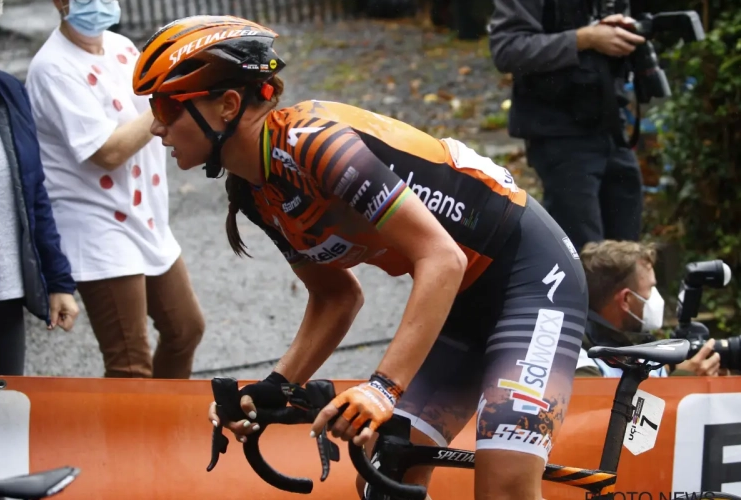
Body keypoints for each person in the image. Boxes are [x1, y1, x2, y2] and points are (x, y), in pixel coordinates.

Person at [134, 16, 589, 500]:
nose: (157, 125)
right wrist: (275, 387)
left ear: (227, 105)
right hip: (458, 308)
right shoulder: (257, 190)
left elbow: (443, 259)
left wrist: (382, 389)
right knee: (387, 480)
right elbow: (336, 297)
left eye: (166, 106)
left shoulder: (316, 145)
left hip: (533, 281)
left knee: (503, 488)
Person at [24, 0, 205, 379]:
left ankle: (161, 421)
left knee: (185, 329)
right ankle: (138, 436)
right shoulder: (52, 68)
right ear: (61, 3)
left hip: (146, 217)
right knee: (129, 363)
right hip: (98, 224)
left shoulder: (122, 48)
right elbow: (107, 152)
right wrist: (164, 106)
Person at [488, 2, 648, 252]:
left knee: (627, 252)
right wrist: (585, 38)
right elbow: (507, 49)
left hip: (610, 126)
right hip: (559, 134)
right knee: (584, 255)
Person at [0, 0, 79, 376]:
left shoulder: (7, 91)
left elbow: (34, 192)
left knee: (2, 421)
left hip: (4, 295)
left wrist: (57, 281)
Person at [574, 240, 722, 378]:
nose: (656, 298)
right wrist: (683, 380)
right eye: (651, 288)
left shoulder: (633, 346)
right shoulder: (578, 362)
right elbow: (602, 406)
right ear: (626, 299)